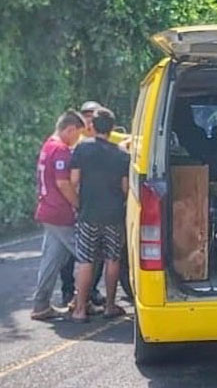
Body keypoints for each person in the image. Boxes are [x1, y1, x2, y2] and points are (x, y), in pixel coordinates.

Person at [69, 108, 131, 322]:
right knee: (112, 259)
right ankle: (110, 306)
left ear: (91, 127)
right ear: (113, 128)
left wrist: (79, 203)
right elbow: (126, 188)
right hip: (114, 215)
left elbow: (74, 181)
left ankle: (79, 310)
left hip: (88, 214)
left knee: (86, 261)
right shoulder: (122, 155)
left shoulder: (81, 149)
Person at [31, 111, 85, 321]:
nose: (77, 140)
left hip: (48, 211)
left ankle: (41, 304)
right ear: (70, 129)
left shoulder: (48, 146)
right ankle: (82, 301)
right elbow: (64, 183)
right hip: (60, 213)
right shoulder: (61, 150)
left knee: (51, 260)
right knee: (88, 256)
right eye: (77, 134)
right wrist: (79, 205)